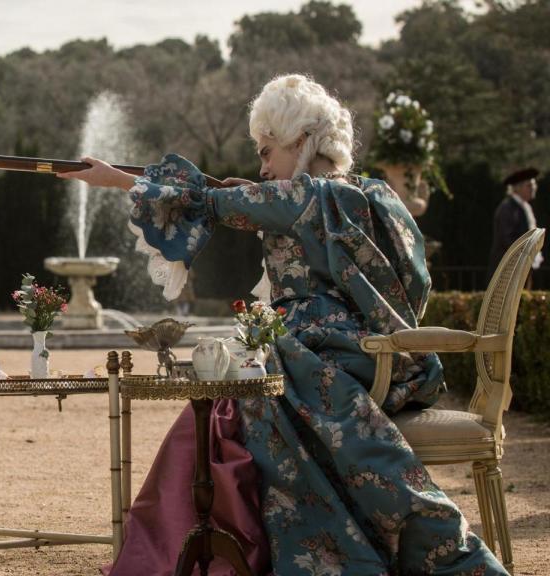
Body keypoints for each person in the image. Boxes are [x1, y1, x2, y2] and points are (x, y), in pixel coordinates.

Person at [61, 74, 508, 575]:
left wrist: (117, 180)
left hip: (331, 359)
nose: (262, 166)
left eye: (267, 151)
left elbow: (211, 205)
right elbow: (416, 284)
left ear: (301, 142)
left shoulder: (304, 197)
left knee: (221, 404)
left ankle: (203, 555)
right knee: (236, 391)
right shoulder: (371, 192)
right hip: (387, 355)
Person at [489, 167, 541, 282]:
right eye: (529, 185)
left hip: (521, 267)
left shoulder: (524, 207)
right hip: (508, 270)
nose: (534, 188)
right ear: (518, 188)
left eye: (534, 185)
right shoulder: (508, 208)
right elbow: (508, 239)